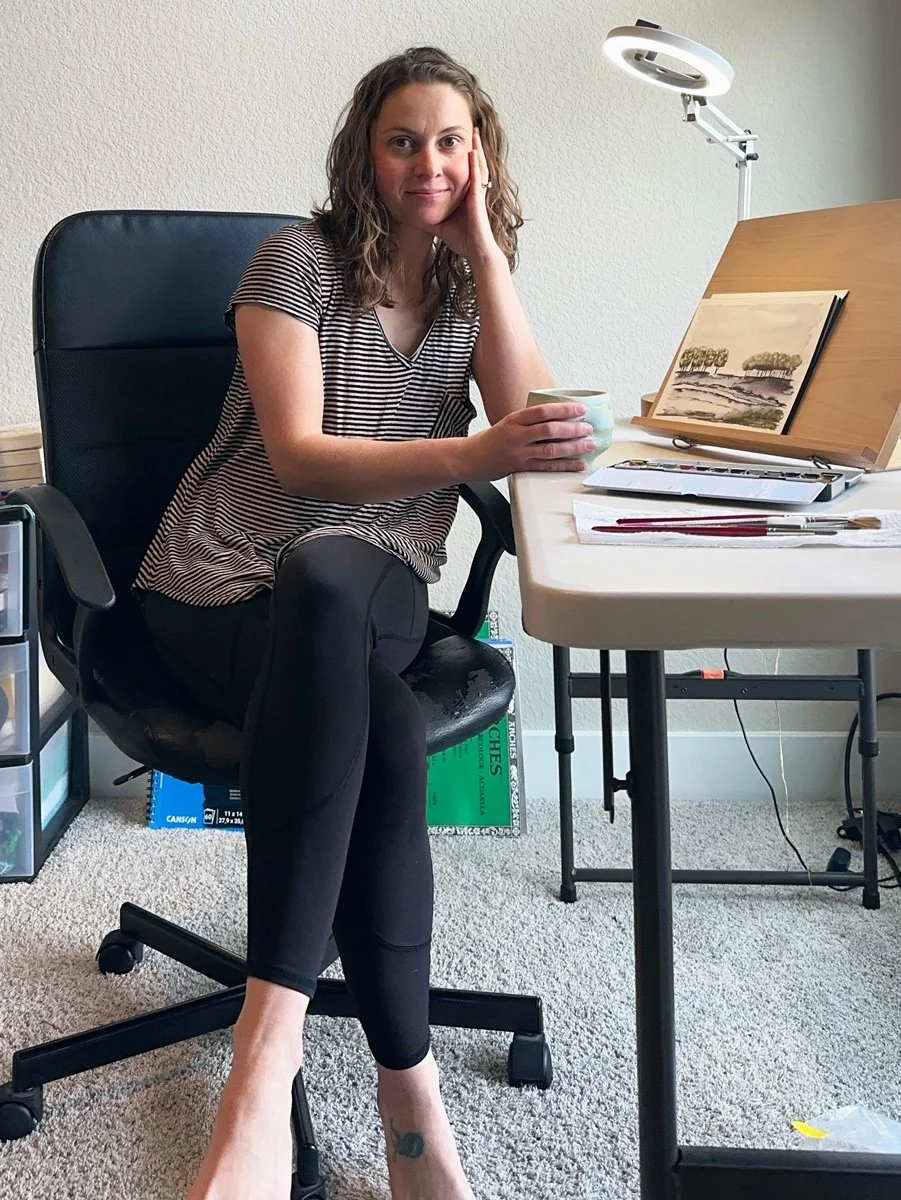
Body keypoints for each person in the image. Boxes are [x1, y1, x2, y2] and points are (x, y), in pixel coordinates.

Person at [134, 44, 595, 1200]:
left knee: (337, 578)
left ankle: (263, 1053)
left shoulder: (468, 283)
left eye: (450, 141)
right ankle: (407, 1097)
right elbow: (296, 459)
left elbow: (528, 422)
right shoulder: (293, 262)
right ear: (364, 153)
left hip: (371, 574)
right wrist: (474, 454)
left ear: (476, 153)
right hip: (219, 572)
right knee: (377, 727)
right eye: (404, 140)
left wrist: (484, 251)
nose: (427, 162)